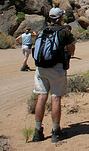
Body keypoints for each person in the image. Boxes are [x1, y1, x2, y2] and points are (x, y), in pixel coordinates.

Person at [32, 8, 75, 143]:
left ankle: (38, 131)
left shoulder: (42, 30)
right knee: (55, 98)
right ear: (60, 17)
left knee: (41, 97)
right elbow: (71, 51)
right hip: (57, 68)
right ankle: (56, 131)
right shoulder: (63, 32)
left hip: (41, 68)